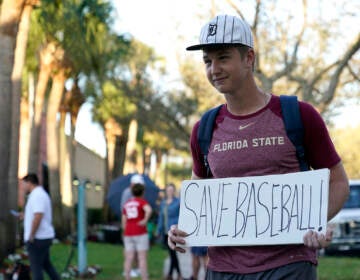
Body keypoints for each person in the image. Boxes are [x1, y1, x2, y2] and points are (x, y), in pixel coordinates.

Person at [168, 14, 349, 279]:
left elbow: (338, 182)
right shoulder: (204, 129)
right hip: (222, 270)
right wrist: (183, 227)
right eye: (207, 61)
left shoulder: (298, 115)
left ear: (249, 58)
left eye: (223, 57)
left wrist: (315, 223)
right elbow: (198, 194)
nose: (214, 69)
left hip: (289, 266)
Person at [21, 173, 61, 280]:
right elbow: (36, 214)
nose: (22, 187)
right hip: (42, 237)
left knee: (36, 269)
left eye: (23, 184)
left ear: (29, 183)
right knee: (46, 265)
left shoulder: (38, 195)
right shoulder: (38, 195)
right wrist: (26, 216)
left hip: (38, 238)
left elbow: (38, 216)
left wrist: (31, 235)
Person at [122, 180, 152, 280]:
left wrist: (124, 230)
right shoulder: (142, 202)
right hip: (140, 231)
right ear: (142, 192)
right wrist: (145, 220)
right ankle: (144, 278)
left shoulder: (127, 203)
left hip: (128, 232)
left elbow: (124, 219)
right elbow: (149, 210)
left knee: (128, 258)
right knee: (142, 258)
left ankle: (127, 277)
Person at [121, 174, 145, 277]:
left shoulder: (138, 193)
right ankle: (130, 270)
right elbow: (124, 211)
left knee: (136, 251)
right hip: (130, 226)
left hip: (135, 227)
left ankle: (136, 269)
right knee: (130, 251)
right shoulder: (127, 193)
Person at [156, 183, 182, 280]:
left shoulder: (178, 202)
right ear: (166, 191)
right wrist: (158, 230)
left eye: (171, 190)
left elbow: (182, 215)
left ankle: (172, 275)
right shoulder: (163, 203)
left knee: (172, 253)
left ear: (174, 191)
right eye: (168, 190)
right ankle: (175, 274)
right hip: (165, 231)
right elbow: (161, 218)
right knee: (172, 254)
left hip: (173, 231)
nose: (170, 191)